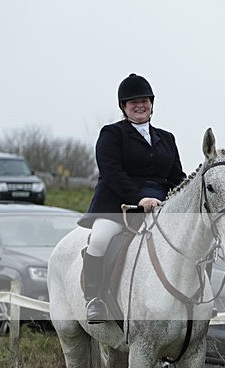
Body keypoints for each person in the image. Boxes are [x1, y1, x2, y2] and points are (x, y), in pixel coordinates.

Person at [78, 73, 186, 323]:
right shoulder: (111, 134)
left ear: (151, 104)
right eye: (133, 102)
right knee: (101, 239)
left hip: (160, 206)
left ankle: (192, 299)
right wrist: (140, 198)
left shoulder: (166, 138)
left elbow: (176, 176)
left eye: (144, 100)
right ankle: (94, 298)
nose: (140, 105)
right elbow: (111, 172)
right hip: (118, 204)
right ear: (123, 107)